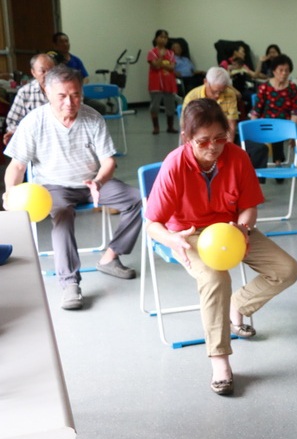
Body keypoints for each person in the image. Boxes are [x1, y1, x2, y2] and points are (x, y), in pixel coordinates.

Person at [144, 98, 297, 395]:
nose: (213, 147)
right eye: (203, 141)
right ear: (187, 139)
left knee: (287, 269)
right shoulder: (175, 165)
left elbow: (248, 207)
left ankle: (237, 305)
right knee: (215, 277)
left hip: (230, 230)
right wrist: (173, 239)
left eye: (220, 138)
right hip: (189, 234)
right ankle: (220, 359)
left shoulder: (238, 157)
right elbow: (152, 224)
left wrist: (242, 228)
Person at [2, 65, 142, 310]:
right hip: (53, 187)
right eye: (62, 96)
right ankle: (69, 283)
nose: (70, 102)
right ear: (47, 92)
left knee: (137, 199)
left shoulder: (92, 117)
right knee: (63, 215)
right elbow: (17, 167)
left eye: (76, 94)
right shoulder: (34, 121)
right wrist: (11, 192)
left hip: (92, 182)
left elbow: (109, 161)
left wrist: (97, 181)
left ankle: (110, 257)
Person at [249, 54, 297, 176]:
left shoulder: (293, 88)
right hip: (270, 125)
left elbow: (295, 112)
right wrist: (253, 131)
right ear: (274, 71)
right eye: (281, 70)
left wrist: (292, 133)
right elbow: (256, 111)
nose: (284, 73)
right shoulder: (264, 87)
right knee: (276, 129)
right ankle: (278, 163)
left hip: (289, 124)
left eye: (287, 70)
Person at [3, 53, 55, 145]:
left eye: (51, 71)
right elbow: (12, 122)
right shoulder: (25, 92)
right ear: (33, 72)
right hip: (33, 142)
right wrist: (18, 134)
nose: (48, 75)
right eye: (43, 71)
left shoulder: (64, 90)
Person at [182, 67, 239, 140]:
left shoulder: (229, 94)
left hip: (220, 136)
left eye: (221, 91)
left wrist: (228, 146)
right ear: (205, 82)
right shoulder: (192, 97)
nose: (217, 95)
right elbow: (186, 128)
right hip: (199, 137)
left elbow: (231, 124)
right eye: (214, 91)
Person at [147, 29, 179, 135]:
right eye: (161, 37)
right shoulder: (151, 53)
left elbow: (172, 67)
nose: (163, 39)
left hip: (169, 83)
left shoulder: (171, 53)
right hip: (156, 83)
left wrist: (161, 63)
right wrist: (161, 57)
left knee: (170, 106)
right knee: (155, 106)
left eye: (165, 37)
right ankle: (156, 127)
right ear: (156, 38)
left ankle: (170, 127)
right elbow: (155, 65)